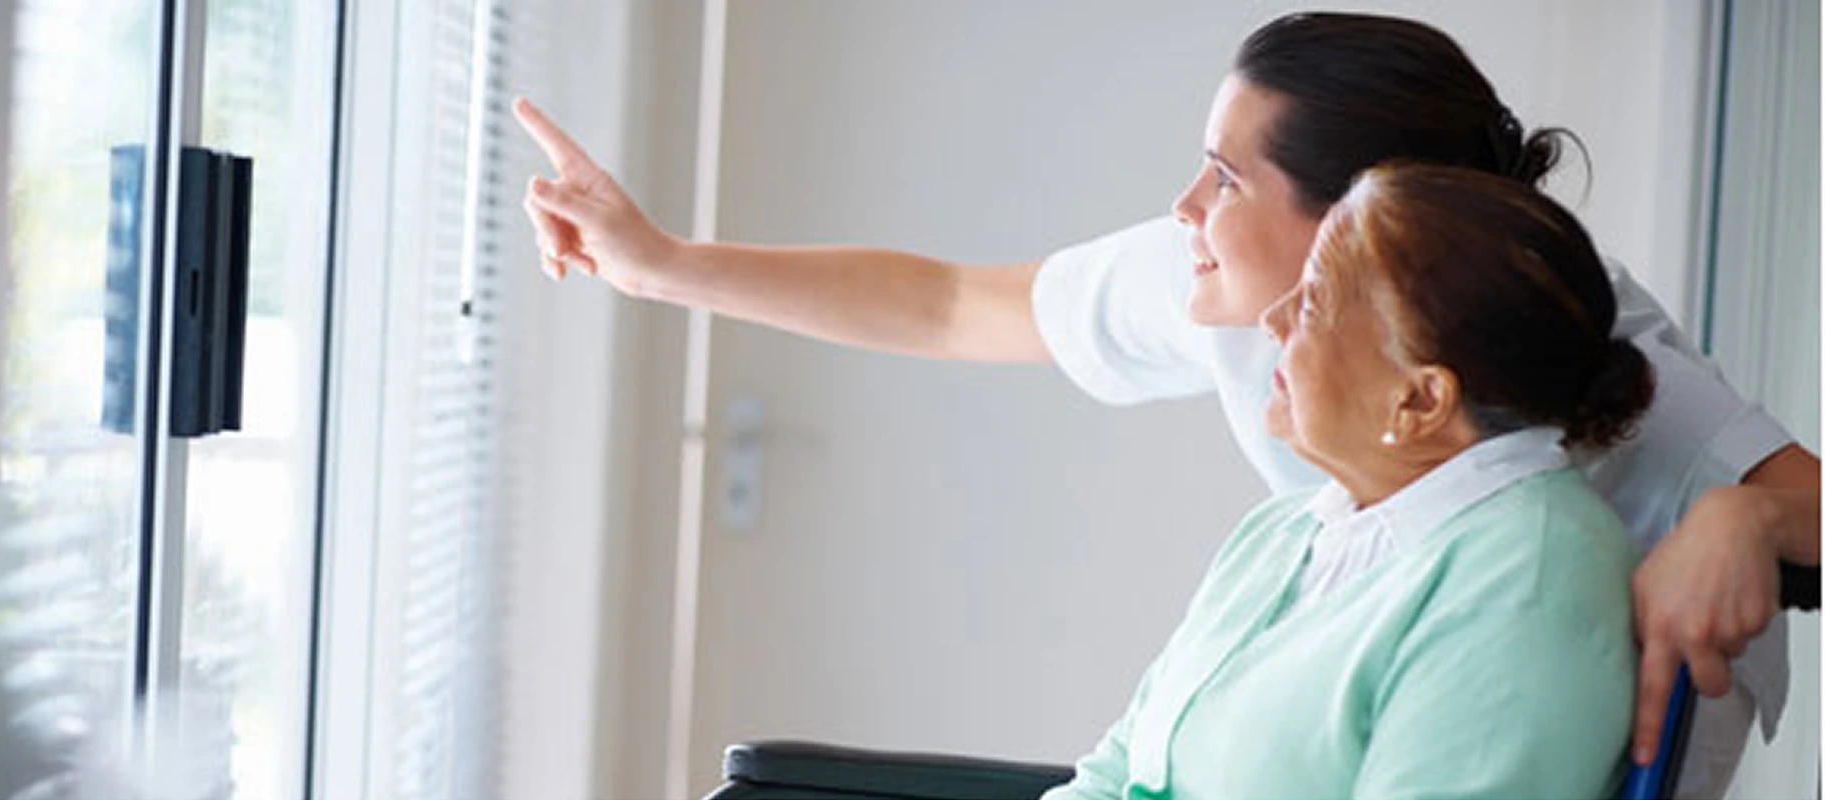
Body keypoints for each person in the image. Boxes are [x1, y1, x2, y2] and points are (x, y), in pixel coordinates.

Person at [511, 11, 1820, 794]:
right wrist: (660, 264)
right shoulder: (1260, 411)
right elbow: (953, 305)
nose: (1185, 211)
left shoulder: (1560, 348)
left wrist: (1741, 523)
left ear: (1370, 220)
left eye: (1222, 178)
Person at [1047, 161, 1649, 800]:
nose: (1272, 320)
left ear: (1418, 400)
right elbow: (1116, 773)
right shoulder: (1284, 532)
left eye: (1312, 303)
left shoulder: (1532, 574)